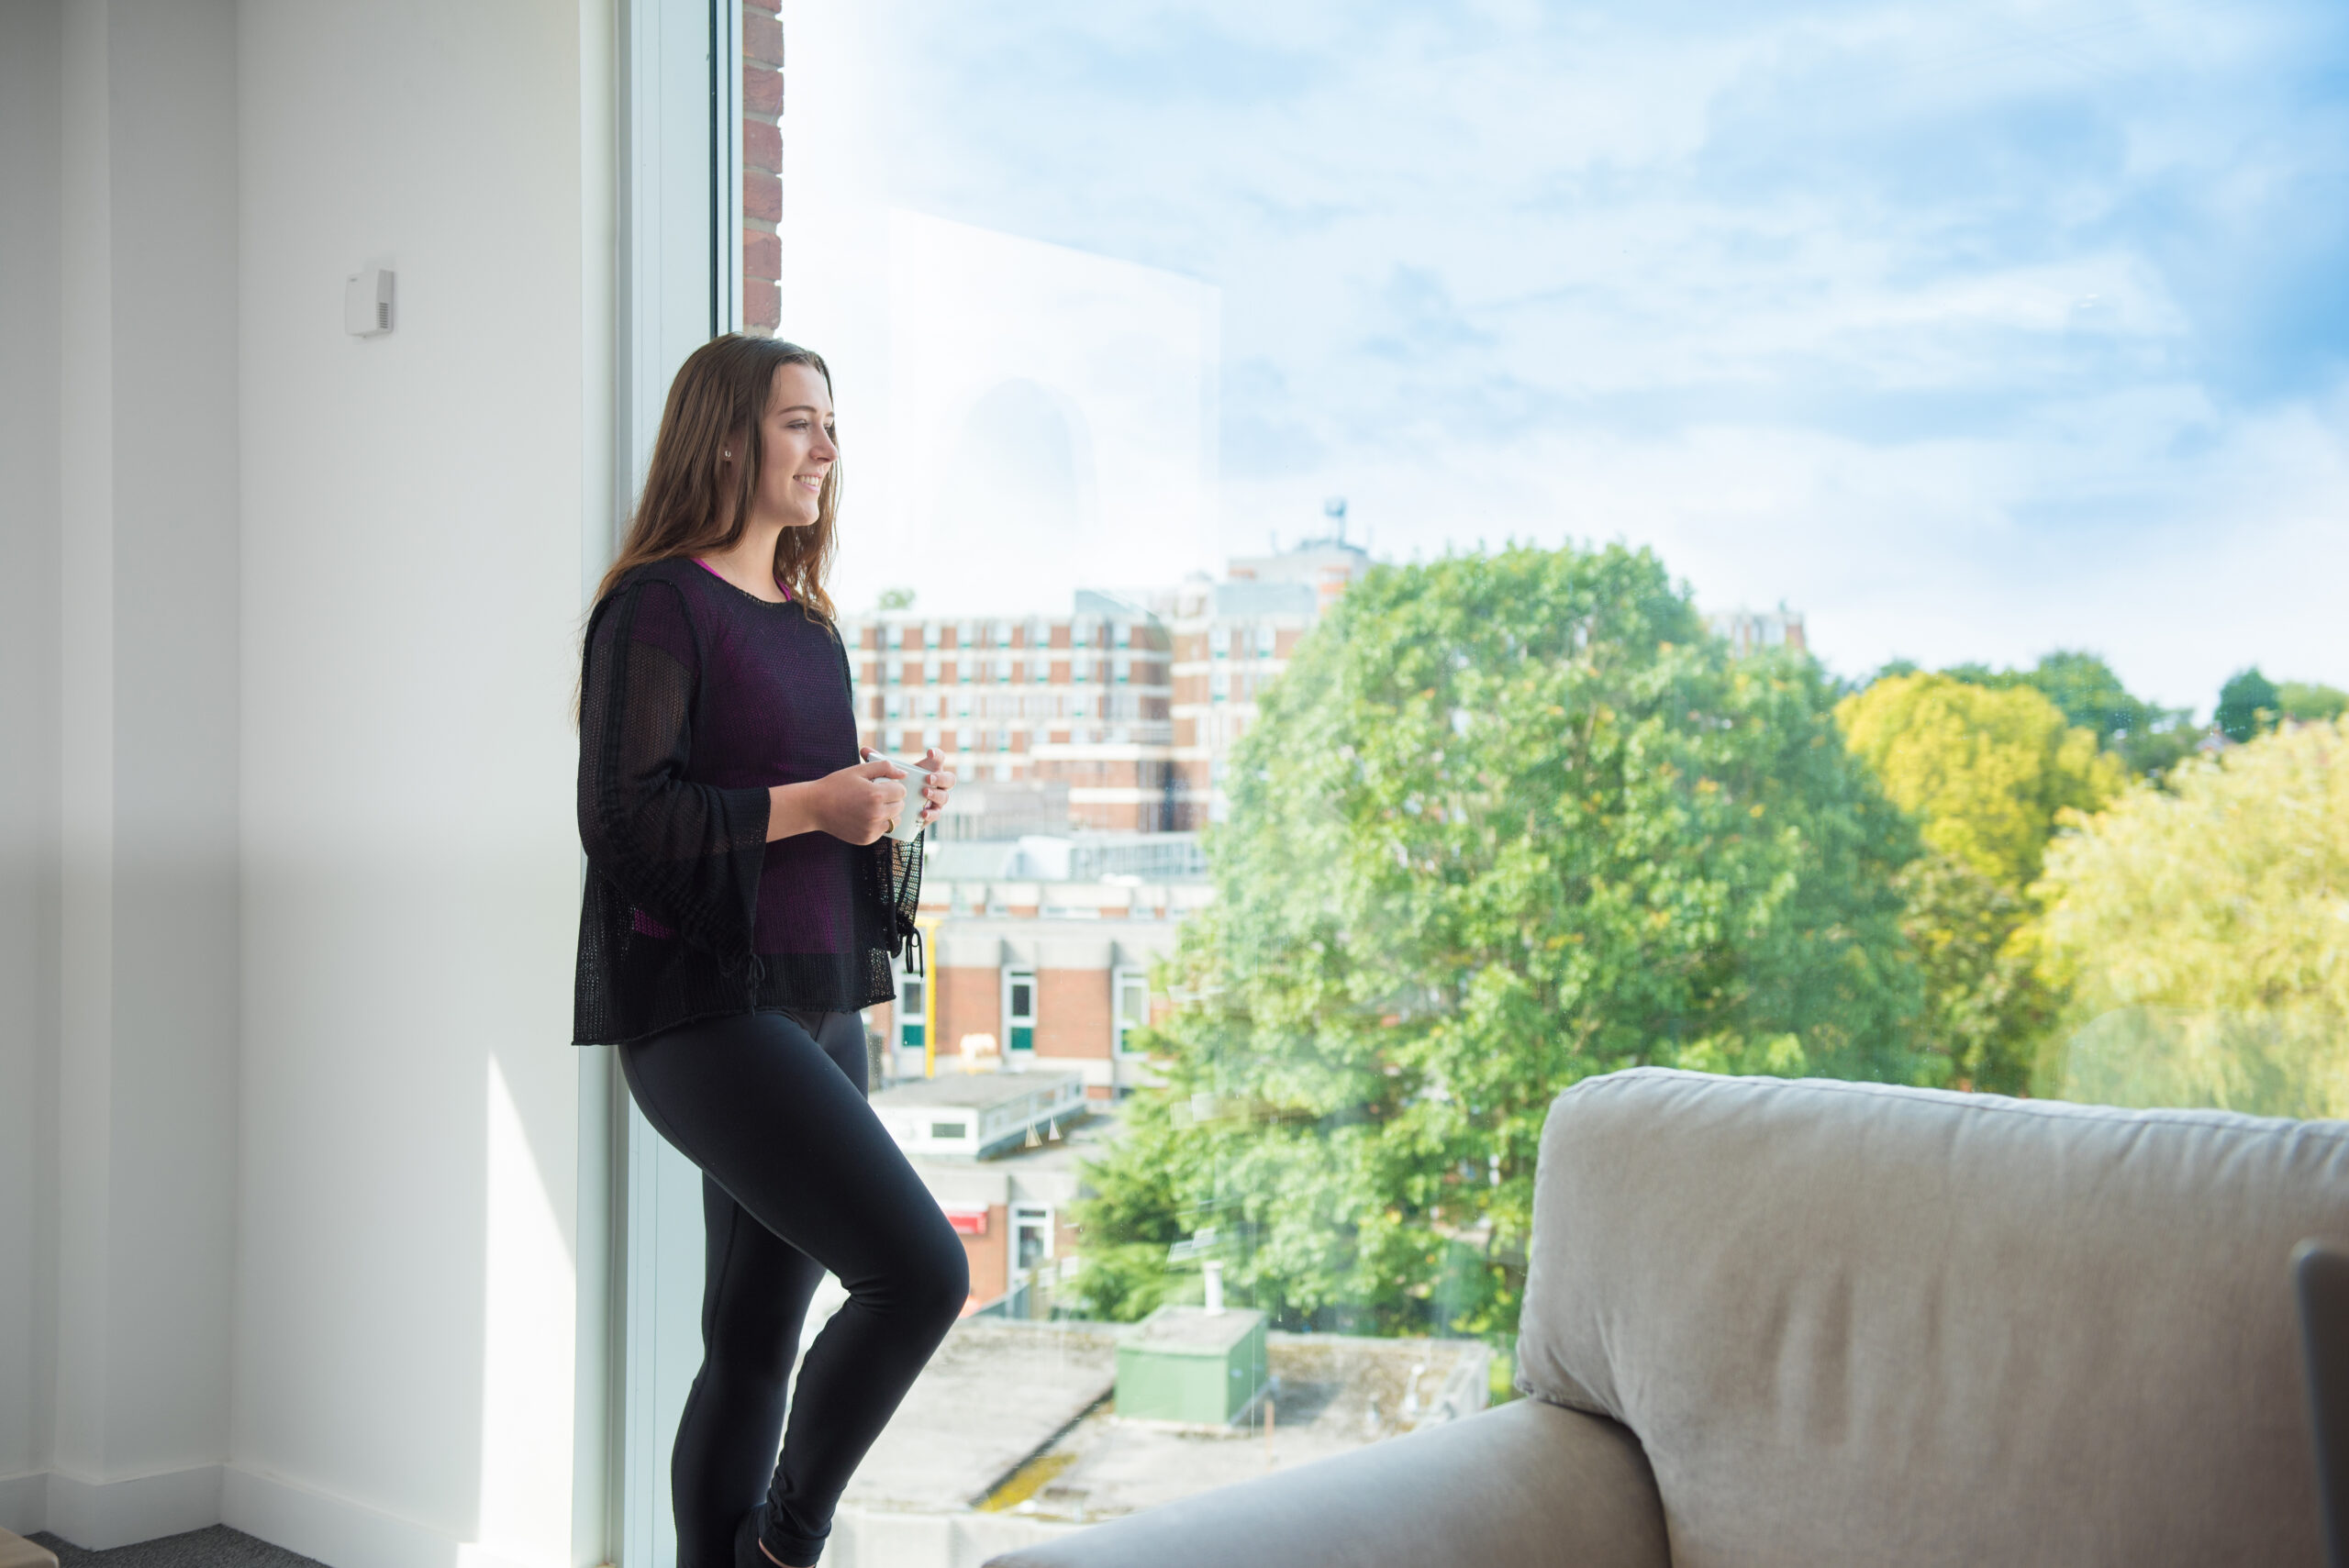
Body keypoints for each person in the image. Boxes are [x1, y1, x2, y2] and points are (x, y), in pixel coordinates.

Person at [573, 335, 967, 1568]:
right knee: (920, 1271)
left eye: (832, 426)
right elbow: (626, 820)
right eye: (802, 422)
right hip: (700, 1015)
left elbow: (805, 827)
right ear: (729, 438)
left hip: (811, 1002)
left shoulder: (813, 628)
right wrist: (815, 801)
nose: (827, 449)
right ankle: (782, 1548)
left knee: (752, 1335)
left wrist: (888, 809)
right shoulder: (657, 603)